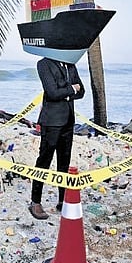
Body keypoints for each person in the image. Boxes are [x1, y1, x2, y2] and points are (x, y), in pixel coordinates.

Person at [28, 57, 85, 220]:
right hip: (51, 121)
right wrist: (71, 90)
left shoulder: (70, 64)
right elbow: (52, 93)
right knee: (44, 161)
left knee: (64, 162)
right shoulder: (44, 64)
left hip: (68, 119)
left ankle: (63, 200)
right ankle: (35, 202)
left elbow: (82, 92)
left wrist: (66, 91)